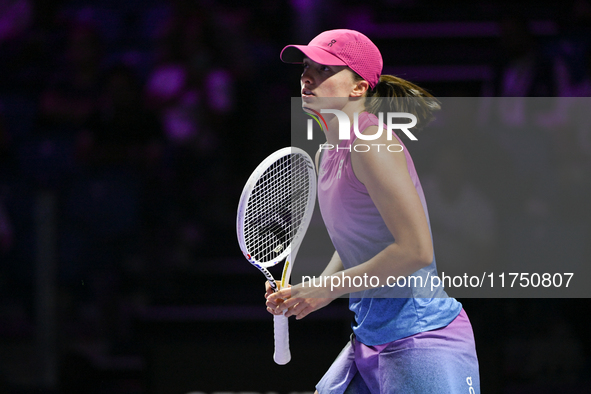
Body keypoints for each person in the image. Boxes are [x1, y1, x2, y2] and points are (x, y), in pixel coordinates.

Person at [266, 29, 480, 393]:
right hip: (369, 337)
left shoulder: (372, 144)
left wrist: (325, 289)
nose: (307, 76)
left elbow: (415, 250)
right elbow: (358, 240)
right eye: (306, 67)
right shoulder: (327, 153)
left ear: (358, 88)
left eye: (324, 69)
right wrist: (315, 290)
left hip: (422, 336)